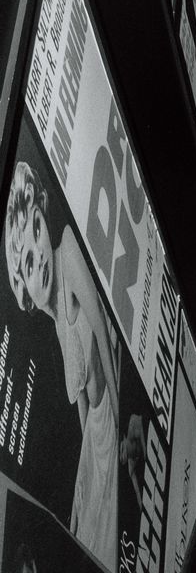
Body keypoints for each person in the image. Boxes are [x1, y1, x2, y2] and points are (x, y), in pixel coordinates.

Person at [4, 162, 121, 571]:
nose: (39, 254)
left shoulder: (66, 249)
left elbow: (103, 334)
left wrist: (120, 413)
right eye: (28, 265)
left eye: (36, 228)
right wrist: (85, 483)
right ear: (27, 296)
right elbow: (82, 405)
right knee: (87, 541)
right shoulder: (55, 322)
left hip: (111, 428)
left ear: (43, 212)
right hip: (96, 442)